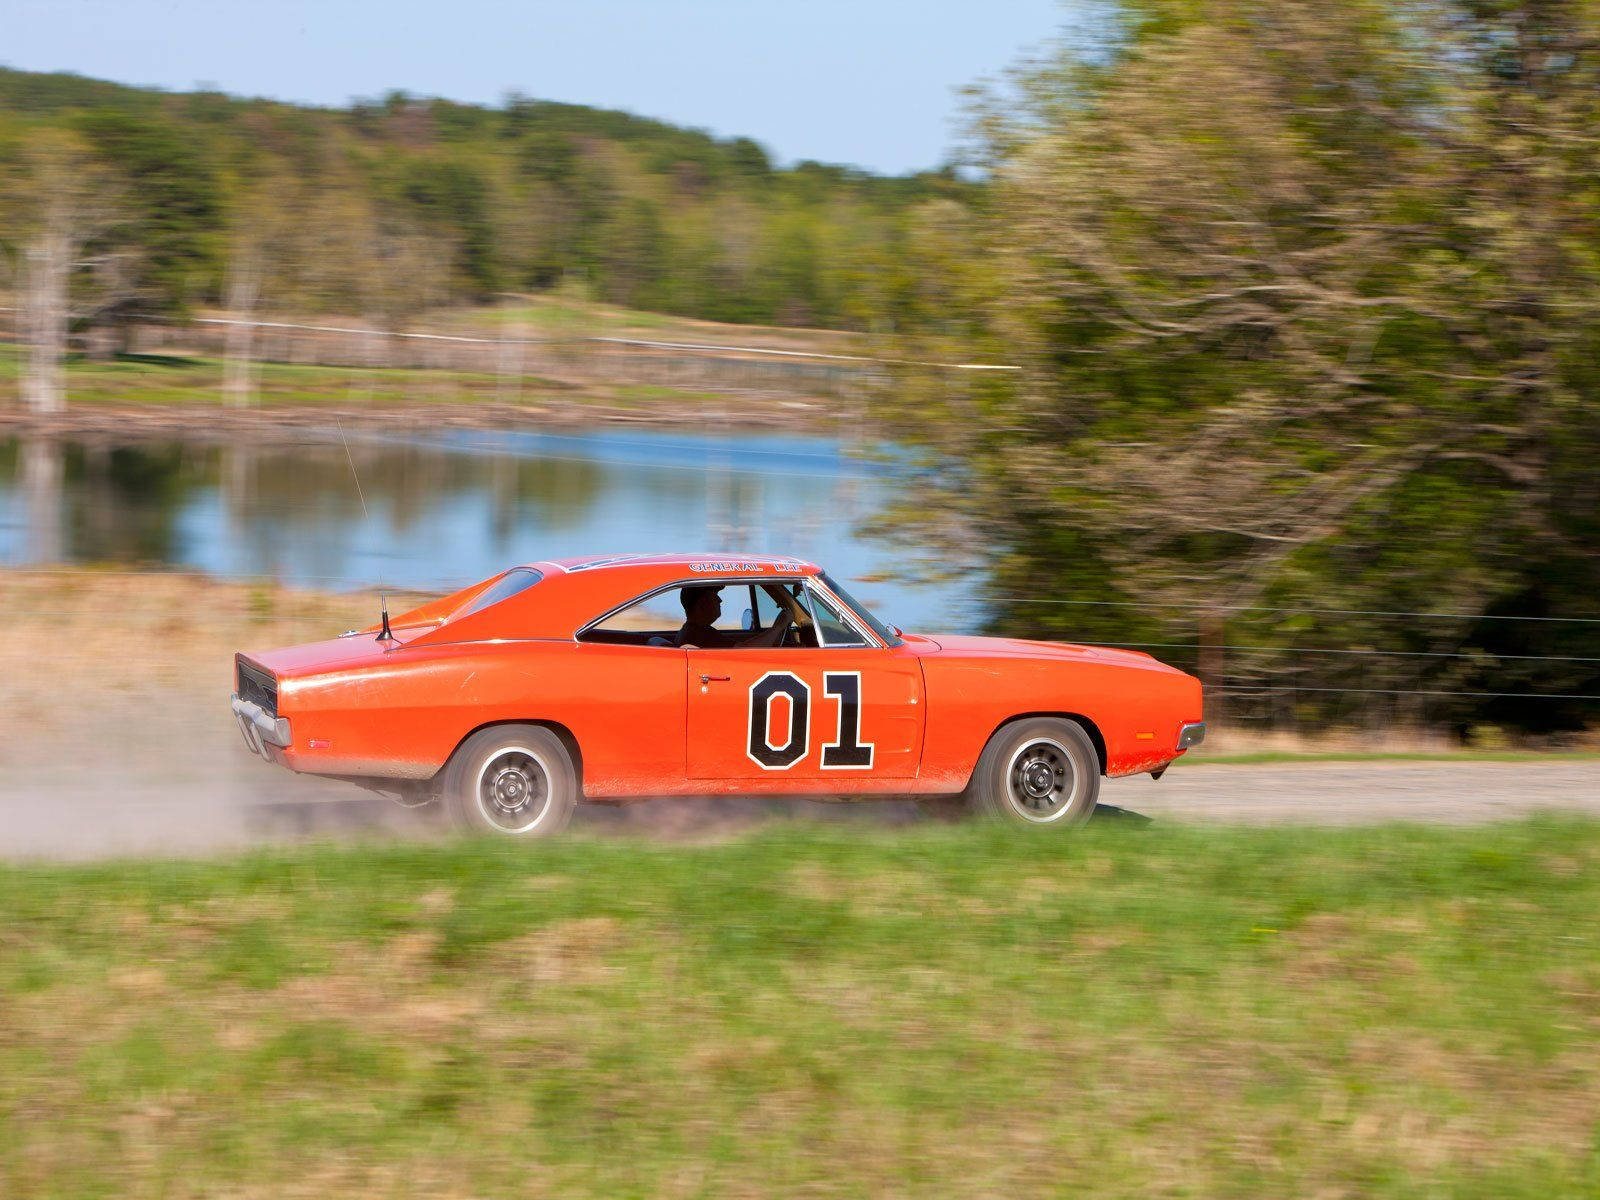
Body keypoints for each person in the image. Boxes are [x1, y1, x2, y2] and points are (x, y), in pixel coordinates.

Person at [676, 584, 798, 648]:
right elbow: (745, 652)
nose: (720, 600)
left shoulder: (695, 631)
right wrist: (778, 626)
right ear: (702, 603)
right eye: (714, 595)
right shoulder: (700, 635)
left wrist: (778, 628)